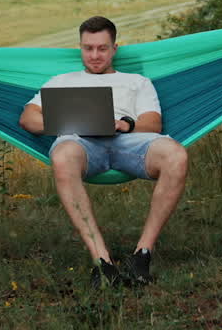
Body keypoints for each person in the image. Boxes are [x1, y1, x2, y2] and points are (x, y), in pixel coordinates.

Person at [18, 16, 189, 289]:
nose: (95, 55)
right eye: (88, 48)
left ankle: (142, 254)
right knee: (62, 156)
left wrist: (124, 124)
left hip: (129, 140)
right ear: (80, 48)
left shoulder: (136, 81)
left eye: (102, 48)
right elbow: (28, 119)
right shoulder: (62, 81)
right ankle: (103, 262)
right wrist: (71, 123)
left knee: (176, 155)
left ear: (115, 48)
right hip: (80, 142)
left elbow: (153, 123)